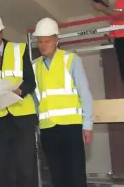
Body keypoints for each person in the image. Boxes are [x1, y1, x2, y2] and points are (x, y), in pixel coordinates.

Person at [0, 13, 39, 187]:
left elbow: (31, 82)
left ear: (2, 32)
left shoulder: (20, 49)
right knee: (2, 170)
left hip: (22, 118)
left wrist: (20, 91)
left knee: (26, 169)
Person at [32, 17, 94, 187]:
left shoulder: (71, 59)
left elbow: (84, 93)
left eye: (47, 41)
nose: (43, 45)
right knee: (57, 176)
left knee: (75, 176)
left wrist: (87, 125)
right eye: (40, 41)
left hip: (71, 127)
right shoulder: (34, 66)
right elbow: (36, 99)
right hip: (48, 129)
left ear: (56, 40)